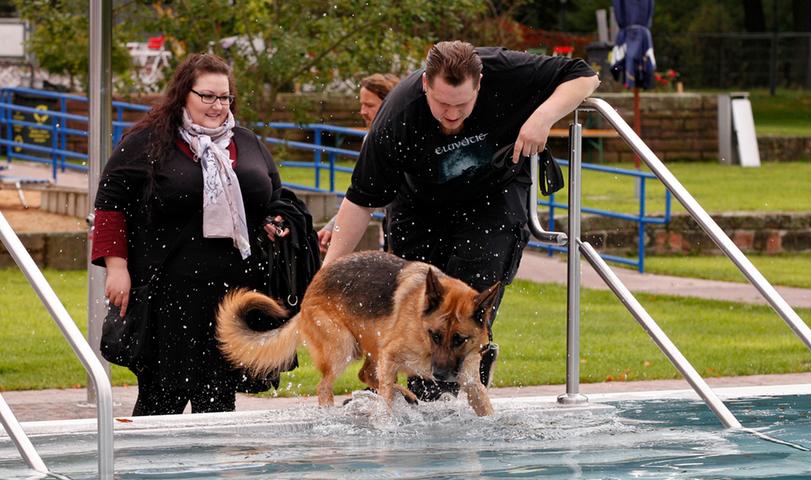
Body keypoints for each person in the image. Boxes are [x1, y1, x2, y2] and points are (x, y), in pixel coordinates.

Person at [323, 41, 599, 400]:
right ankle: (428, 400)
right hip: (419, 208)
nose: (452, 114)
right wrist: (326, 279)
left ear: (480, 83)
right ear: (425, 84)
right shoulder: (398, 115)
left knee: (471, 290)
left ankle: (470, 377)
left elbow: (585, 76)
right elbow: (360, 201)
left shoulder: (504, 70)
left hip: (493, 197)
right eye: (442, 104)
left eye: (462, 104)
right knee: (427, 309)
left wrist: (542, 117)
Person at [91, 53, 293, 416]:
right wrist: (116, 267)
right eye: (208, 96)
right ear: (184, 93)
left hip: (231, 297)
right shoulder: (147, 141)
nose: (218, 106)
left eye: (225, 98)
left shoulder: (245, 143)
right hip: (167, 294)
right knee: (160, 400)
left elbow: (276, 197)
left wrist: (276, 221)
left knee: (217, 401)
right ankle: (146, 472)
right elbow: (110, 203)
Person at [317, 72, 400, 252]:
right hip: (391, 227)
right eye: (361, 104)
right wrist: (333, 226)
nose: (362, 111)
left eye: (369, 105)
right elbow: (363, 194)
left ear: (388, 105)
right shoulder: (369, 140)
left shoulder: (403, 138)